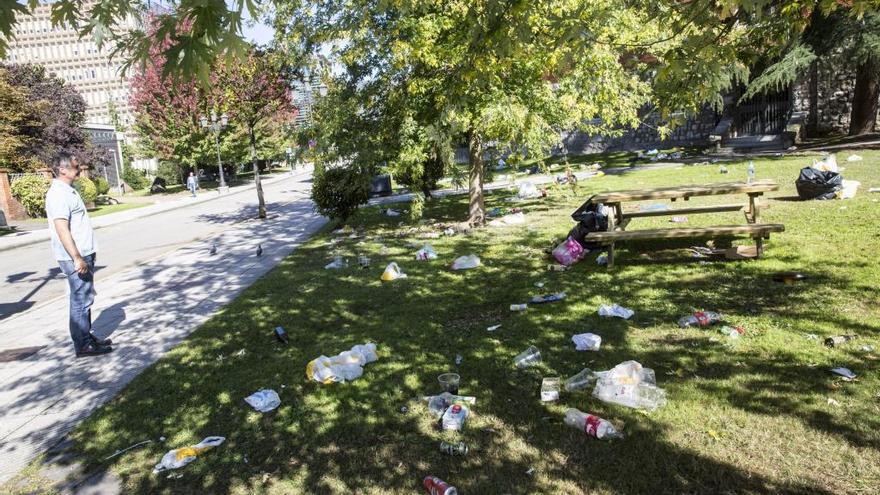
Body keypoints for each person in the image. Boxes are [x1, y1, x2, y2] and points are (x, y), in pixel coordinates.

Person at [45, 155, 113, 357]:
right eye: (75, 166)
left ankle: (86, 336)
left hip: (84, 253)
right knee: (80, 300)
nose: (79, 167)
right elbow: (62, 229)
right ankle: (82, 345)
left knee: (86, 298)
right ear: (62, 170)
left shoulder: (68, 190)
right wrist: (76, 257)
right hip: (75, 256)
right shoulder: (58, 194)